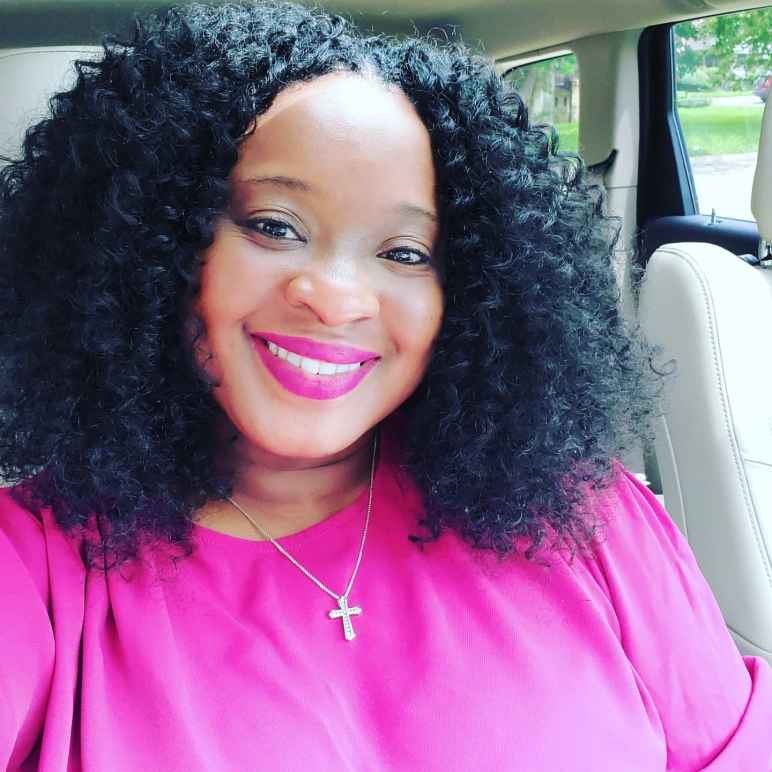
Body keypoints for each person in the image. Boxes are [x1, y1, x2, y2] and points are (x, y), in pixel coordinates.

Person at [0, 2, 770, 769]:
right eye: (273, 225)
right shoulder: (32, 566)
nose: (335, 297)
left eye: (406, 253)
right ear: (147, 245)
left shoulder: (583, 513)